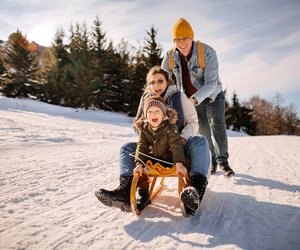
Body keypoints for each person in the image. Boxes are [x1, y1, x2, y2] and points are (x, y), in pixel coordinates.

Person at [95, 66, 210, 216]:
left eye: (160, 81)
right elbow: (138, 125)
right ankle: (125, 190)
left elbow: (193, 122)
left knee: (200, 141)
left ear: (167, 82)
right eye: (152, 82)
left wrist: (182, 138)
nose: (156, 86)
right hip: (154, 147)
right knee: (127, 148)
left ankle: (195, 190)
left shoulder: (179, 97)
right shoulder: (146, 99)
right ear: (148, 85)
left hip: (179, 144)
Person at [161, 18, 235, 178]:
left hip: (213, 95)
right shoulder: (170, 57)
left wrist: (192, 100)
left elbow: (211, 83)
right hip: (190, 99)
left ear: (191, 37)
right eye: (177, 39)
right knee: (203, 132)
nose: (181, 43)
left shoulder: (207, 53)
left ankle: (223, 162)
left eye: (184, 38)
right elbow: (162, 77)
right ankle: (212, 161)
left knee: (217, 126)